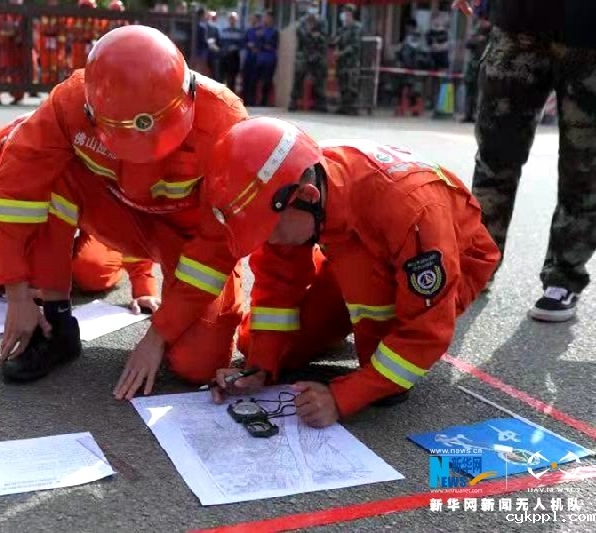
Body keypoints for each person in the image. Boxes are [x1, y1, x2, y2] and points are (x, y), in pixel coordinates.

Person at [0, 26, 247, 392]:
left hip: (185, 240)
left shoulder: (227, 123)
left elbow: (218, 245)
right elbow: (13, 188)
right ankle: (56, 323)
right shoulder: (72, 101)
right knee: (51, 173)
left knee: (198, 363)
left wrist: (158, 335)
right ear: (92, 112)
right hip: (116, 216)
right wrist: (16, 293)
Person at [204, 117, 500, 427]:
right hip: (354, 251)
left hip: (451, 257)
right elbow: (277, 282)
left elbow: (426, 331)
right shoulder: (292, 194)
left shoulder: (413, 212)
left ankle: (370, 347)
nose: (266, 239)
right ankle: (349, 326)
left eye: (267, 228)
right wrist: (260, 368)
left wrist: (342, 397)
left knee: (382, 368)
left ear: (308, 197)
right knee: (257, 345)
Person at [459, 0, 596, 322]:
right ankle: (479, 267)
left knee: (585, 166)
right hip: (516, 24)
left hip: (590, 35)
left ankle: (563, 277)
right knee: (495, 156)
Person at [0, 112, 160, 311]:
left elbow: (126, 217)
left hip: (87, 201)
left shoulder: (89, 156)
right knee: (33, 275)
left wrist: (143, 286)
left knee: (92, 271)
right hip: (50, 192)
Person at [289, 6, 329, 112]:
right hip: (304, 54)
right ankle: (294, 101)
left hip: (318, 53)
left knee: (320, 78)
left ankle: (321, 104)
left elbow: (324, 38)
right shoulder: (302, 22)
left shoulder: (322, 22)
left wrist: (315, 36)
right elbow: (302, 35)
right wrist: (312, 34)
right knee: (298, 76)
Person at [461, 15, 491, 123]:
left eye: (484, 20)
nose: (482, 22)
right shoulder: (477, 31)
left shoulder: (493, 33)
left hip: (486, 65)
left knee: (482, 92)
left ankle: (479, 116)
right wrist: (477, 40)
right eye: (481, 20)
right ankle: (468, 114)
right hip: (474, 64)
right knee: (470, 89)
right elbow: (468, 44)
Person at [334, 4, 362, 115]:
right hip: (342, 62)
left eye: (347, 13)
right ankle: (344, 106)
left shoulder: (356, 28)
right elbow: (338, 41)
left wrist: (341, 53)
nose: (345, 16)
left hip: (351, 61)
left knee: (351, 84)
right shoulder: (342, 29)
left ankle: (352, 107)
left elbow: (354, 45)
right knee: (343, 84)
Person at [253, 11, 278, 106]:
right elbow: (256, 44)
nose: (265, 19)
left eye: (267, 18)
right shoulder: (259, 30)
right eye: (264, 17)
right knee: (255, 80)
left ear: (271, 19)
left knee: (267, 80)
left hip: (269, 59)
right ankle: (255, 100)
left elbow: (272, 45)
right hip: (259, 59)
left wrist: (263, 45)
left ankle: (264, 100)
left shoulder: (274, 31)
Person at [218, 12, 244, 93]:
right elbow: (220, 43)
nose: (232, 20)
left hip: (234, 58)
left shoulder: (239, 32)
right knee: (221, 78)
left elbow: (241, 45)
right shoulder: (223, 31)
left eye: (234, 19)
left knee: (232, 78)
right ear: (228, 20)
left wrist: (233, 48)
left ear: (236, 20)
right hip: (224, 57)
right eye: (231, 18)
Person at [241, 12, 262, 105]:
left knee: (254, 80)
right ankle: (245, 100)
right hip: (248, 58)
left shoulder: (262, 31)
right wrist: (248, 45)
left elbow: (263, 43)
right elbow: (243, 42)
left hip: (257, 58)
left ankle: (252, 101)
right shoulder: (249, 31)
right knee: (246, 79)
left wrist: (257, 46)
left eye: (253, 18)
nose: (252, 20)